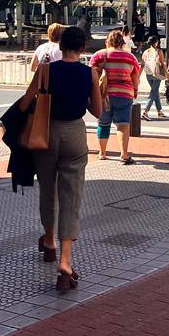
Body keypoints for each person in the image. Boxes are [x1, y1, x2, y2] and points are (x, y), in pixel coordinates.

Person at [23, 26, 101, 291]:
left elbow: (25, 102)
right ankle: (66, 262)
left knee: (48, 189)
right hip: (75, 135)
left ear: (60, 45)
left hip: (45, 133)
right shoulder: (88, 72)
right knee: (72, 195)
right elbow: (98, 111)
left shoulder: (46, 70)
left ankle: (49, 242)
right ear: (82, 48)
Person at [90, 30, 142, 163]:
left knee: (103, 123)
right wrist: (135, 90)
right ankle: (124, 153)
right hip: (124, 94)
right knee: (123, 125)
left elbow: (91, 75)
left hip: (103, 95)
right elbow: (135, 77)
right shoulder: (130, 57)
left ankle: (102, 153)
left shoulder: (98, 55)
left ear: (108, 41)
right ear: (122, 42)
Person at [140, 35, 168, 120]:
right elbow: (162, 63)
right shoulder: (159, 51)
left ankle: (159, 111)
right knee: (153, 92)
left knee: (155, 92)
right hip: (156, 74)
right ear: (156, 42)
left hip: (148, 74)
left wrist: (138, 75)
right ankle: (145, 111)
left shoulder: (146, 52)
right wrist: (167, 73)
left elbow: (142, 64)